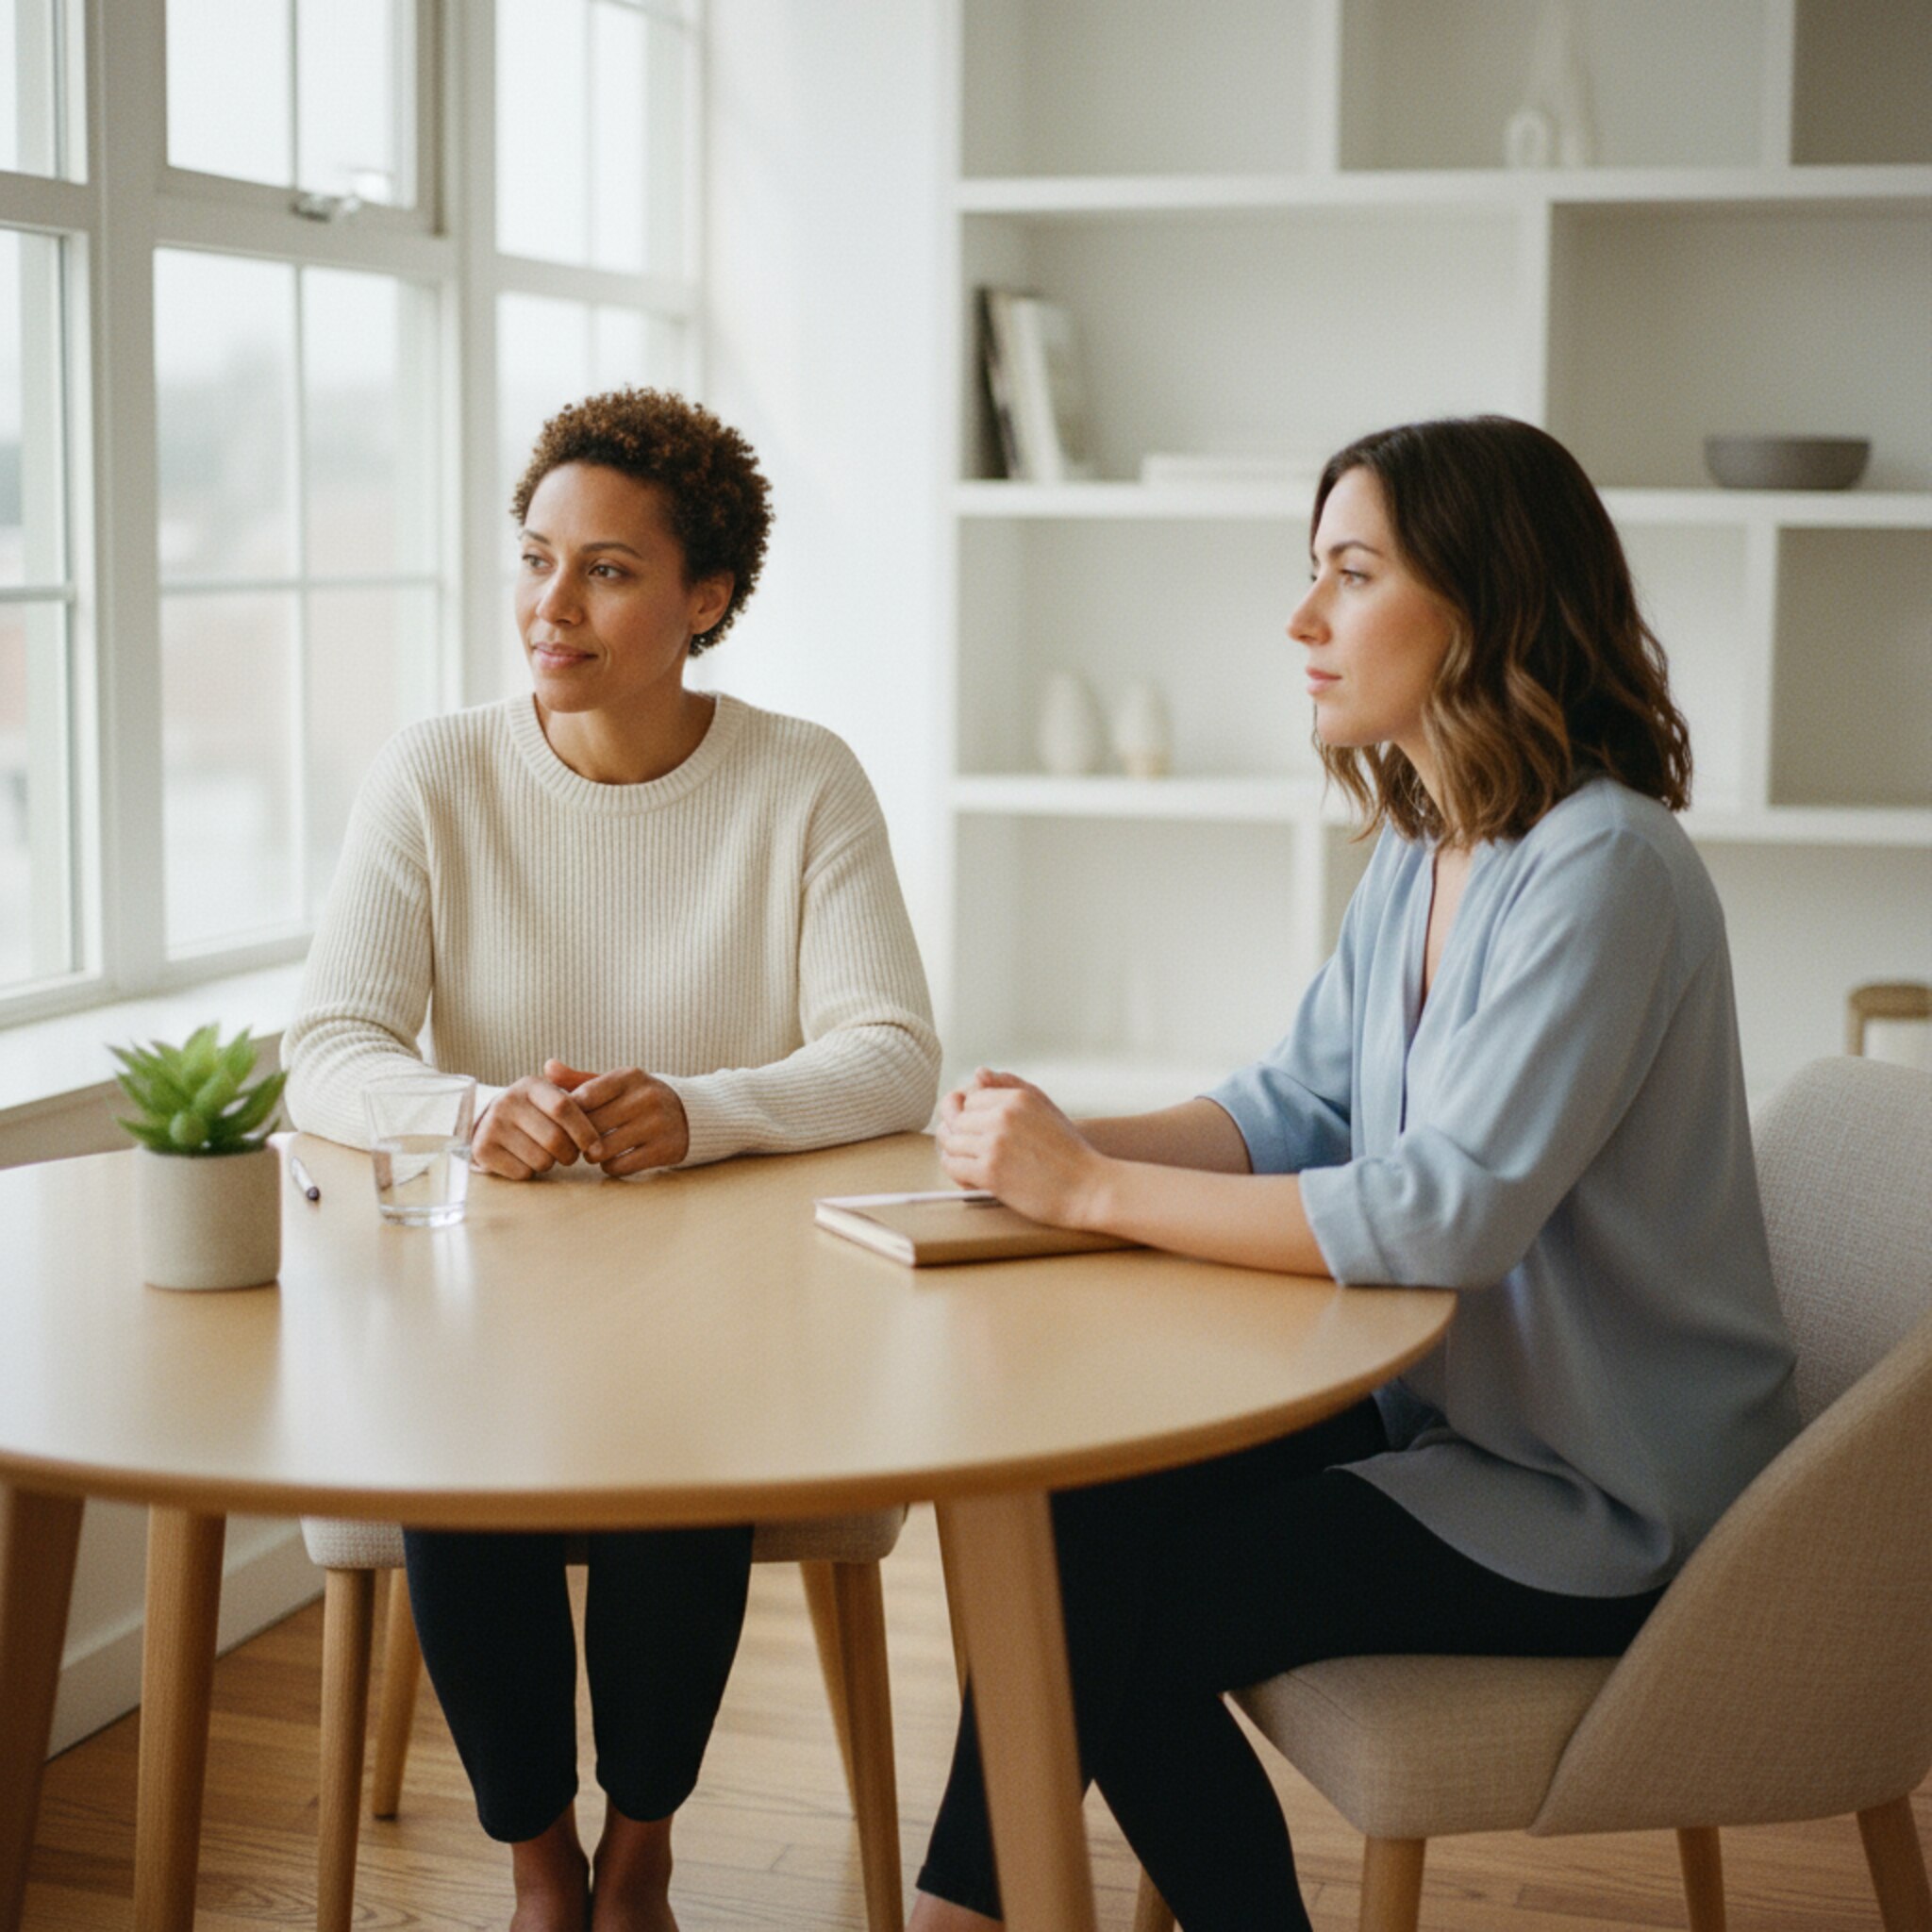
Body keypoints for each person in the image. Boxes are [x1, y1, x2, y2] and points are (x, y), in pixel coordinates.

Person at [906, 415, 1801, 1932]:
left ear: (1486, 604)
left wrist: (1090, 1195)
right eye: (1310, 573)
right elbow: (1301, 1101)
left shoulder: (1607, 868)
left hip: (1601, 1501)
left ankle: (964, 1918)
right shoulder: (1427, 839)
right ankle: (972, 1914)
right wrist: (1061, 1139)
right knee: (1068, 1511)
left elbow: (1445, 1211)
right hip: (1451, 1424)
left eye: (1351, 574)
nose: (1303, 620)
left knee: (1096, 1624)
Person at [284, 387, 941, 1932]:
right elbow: (329, 1045)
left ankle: (641, 1850)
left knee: (678, 1442)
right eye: (535, 559)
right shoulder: (434, 773)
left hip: (717, 1318)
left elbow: (893, 1048)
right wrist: (466, 1110)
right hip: (480, 1314)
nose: (548, 607)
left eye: (607, 571)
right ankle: (538, 1871)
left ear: (707, 599)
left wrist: (705, 1111)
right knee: (455, 1450)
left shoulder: (802, 779)